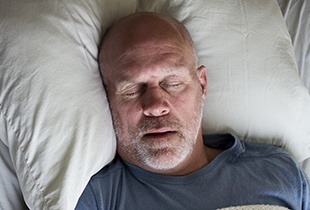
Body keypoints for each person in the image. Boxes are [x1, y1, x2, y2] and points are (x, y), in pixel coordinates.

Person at [75, 12, 310, 209]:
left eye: (173, 83)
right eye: (133, 89)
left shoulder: (278, 170)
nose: (156, 106)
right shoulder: (94, 198)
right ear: (108, 99)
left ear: (202, 85)